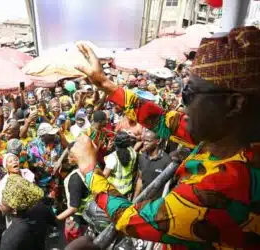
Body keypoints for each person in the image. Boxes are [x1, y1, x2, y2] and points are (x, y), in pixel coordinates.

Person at [74, 28, 260, 250]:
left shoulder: (225, 186)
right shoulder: (226, 135)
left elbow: (129, 218)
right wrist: (104, 83)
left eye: (190, 92)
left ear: (234, 104)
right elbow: (162, 120)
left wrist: (89, 170)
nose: (183, 103)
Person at [0, 174, 55, 250]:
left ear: (14, 210)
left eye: (3, 204)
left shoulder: (10, 237)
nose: (0, 205)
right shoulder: (41, 209)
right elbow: (53, 221)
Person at [56, 142, 90, 243]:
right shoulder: (90, 166)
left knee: (75, 243)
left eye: (70, 156)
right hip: (89, 214)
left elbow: (73, 207)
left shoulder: (75, 178)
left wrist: (55, 219)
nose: (68, 158)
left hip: (78, 218)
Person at [133, 130, 171, 199]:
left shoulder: (167, 161)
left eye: (148, 141)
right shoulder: (142, 157)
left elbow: (168, 185)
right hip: (143, 199)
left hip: (157, 202)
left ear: (158, 141)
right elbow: (140, 179)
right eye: (144, 140)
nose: (144, 143)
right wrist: (135, 198)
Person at [103, 131, 137, 197]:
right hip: (127, 187)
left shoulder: (113, 157)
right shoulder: (133, 152)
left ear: (115, 143)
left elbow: (104, 176)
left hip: (114, 190)